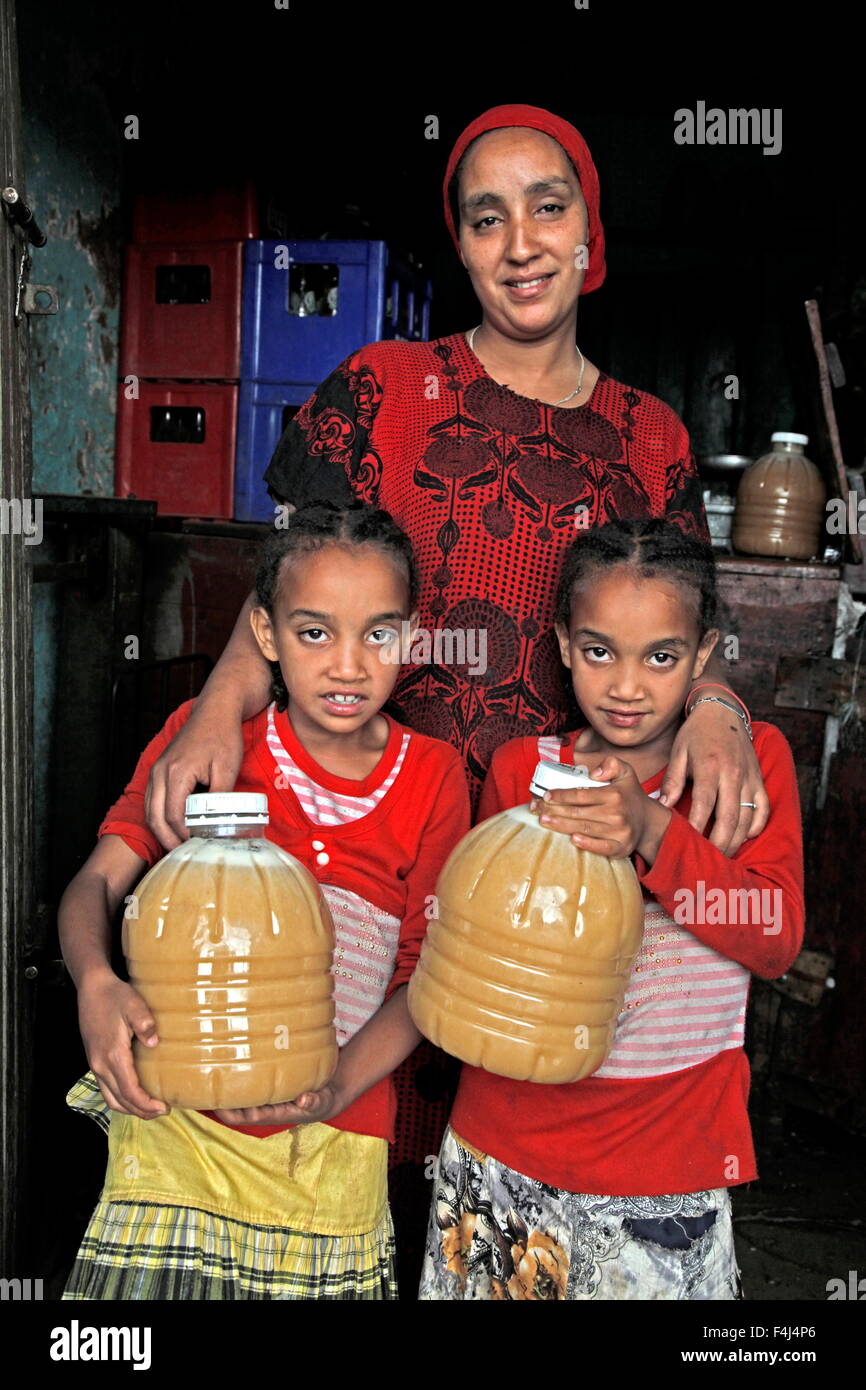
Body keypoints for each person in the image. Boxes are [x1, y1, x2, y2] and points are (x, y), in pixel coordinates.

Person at [144, 104, 767, 851]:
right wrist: (216, 708)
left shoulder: (651, 434)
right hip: (370, 823)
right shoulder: (383, 389)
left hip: (556, 842)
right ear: (464, 248)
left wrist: (718, 710)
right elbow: (288, 584)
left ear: (587, 231)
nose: (522, 246)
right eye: (487, 220)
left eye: (548, 208)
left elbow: (693, 624)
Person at [58, 504, 470, 1300]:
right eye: (315, 632)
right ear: (266, 633)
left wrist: (339, 1082)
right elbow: (96, 883)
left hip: (334, 1142)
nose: (348, 666)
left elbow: (432, 972)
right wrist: (96, 985)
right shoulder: (211, 743)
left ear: (413, 639)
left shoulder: (432, 777)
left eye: (378, 635)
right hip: (177, 1127)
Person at [418, 518, 805, 1301]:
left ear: (702, 657)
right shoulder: (523, 768)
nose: (627, 686)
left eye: (661, 657)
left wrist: (654, 830)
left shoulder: (747, 764)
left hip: (666, 1164)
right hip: (506, 1151)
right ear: (562, 644)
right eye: (599, 651)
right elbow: (486, 967)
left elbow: (775, 940)